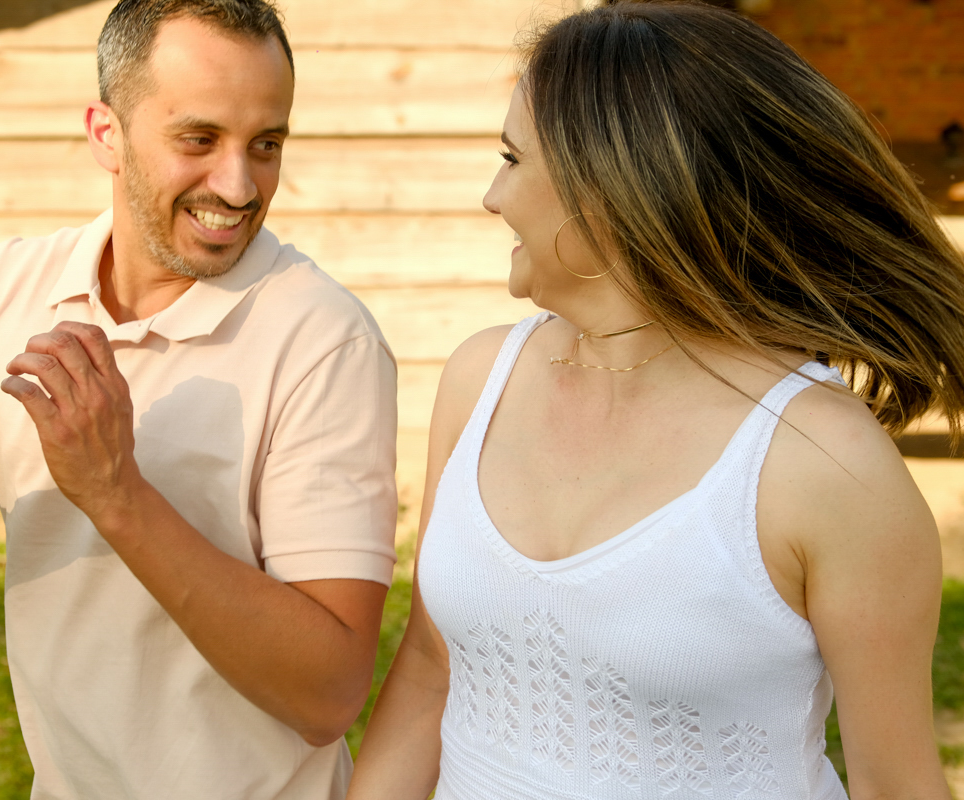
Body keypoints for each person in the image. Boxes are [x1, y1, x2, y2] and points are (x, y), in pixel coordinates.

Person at [0, 1, 398, 798]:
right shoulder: (1, 288)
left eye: (265, 144)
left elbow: (329, 694)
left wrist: (115, 493)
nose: (238, 186)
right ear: (106, 133)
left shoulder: (326, 341)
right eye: (198, 140)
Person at [348, 4, 964, 799]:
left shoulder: (821, 465)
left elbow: (899, 786)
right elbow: (433, 670)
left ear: (606, 190)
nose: (492, 196)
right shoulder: (480, 381)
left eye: (512, 158)